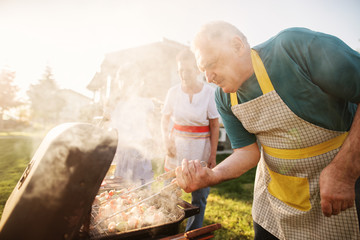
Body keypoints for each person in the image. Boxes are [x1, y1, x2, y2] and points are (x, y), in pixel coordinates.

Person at [175, 21, 360, 239]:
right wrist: (212, 176)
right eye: (203, 70)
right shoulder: (224, 96)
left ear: (237, 46)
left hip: (337, 190)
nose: (208, 78)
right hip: (274, 202)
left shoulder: (294, 49)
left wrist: (344, 171)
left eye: (211, 64)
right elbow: (247, 152)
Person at [161, 48, 220, 231]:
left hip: (200, 148)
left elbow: (214, 124)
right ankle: (166, 229)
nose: (183, 75)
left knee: (199, 197)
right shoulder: (173, 92)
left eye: (187, 70)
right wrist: (166, 142)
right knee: (168, 192)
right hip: (176, 147)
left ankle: (192, 233)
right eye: (180, 71)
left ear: (197, 70)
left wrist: (212, 154)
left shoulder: (209, 92)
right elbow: (164, 118)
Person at [109, 91, 155, 185]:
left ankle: (141, 195)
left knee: (140, 181)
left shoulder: (147, 103)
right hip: (124, 147)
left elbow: (151, 124)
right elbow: (115, 127)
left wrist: (152, 139)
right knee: (122, 181)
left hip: (140, 146)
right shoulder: (120, 105)